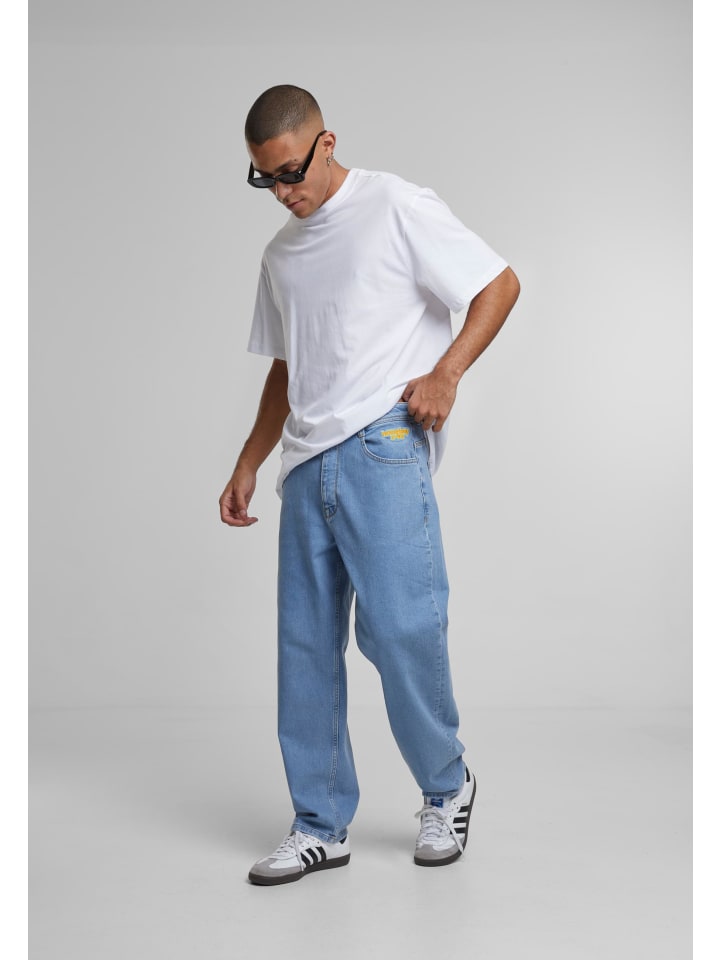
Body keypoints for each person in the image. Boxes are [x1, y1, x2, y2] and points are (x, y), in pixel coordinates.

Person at [219, 84, 520, 886]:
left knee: (400, 629)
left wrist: (446, 374)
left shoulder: (394, 205)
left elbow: (498, 284)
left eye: (290, 171)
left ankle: (447, 786)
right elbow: (287, 366)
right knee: (305, 648)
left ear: (326, 143)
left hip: (383, 442)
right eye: (264, 179)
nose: (282, 191)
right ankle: (320, 824)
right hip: (304, 462)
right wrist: (250, 459)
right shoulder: (281, 254)